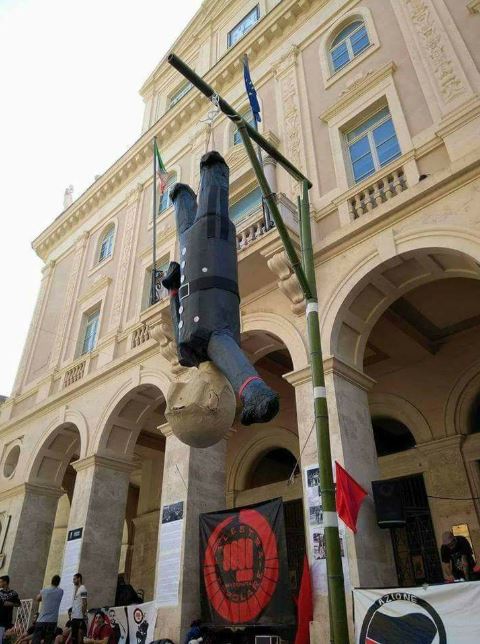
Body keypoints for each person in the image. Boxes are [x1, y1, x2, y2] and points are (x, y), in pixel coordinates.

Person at [33, 575, 64, 644]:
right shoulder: (61, 591)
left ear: (51, 581)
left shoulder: (44, 590)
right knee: (48, 641)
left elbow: (38, 599)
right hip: (52, 621)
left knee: (36, 641)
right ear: (59, 582)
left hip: (41, 620)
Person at [0, 575, 21, 644]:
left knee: (5, 640)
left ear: (5, 582)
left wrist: (9, 603)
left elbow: (18, 604)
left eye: (0, 582)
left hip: (7, 620)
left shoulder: (13, 593)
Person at [70, 574, 87, 644]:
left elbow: (85, 603)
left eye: (74, 579)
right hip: (74, 617)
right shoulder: (76, 589)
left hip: (79, 618)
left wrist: (83, 616)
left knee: (79, 640)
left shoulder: (83, 588)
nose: (73, 581)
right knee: (73, 639)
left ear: (79, 579)